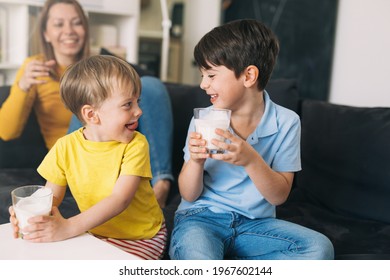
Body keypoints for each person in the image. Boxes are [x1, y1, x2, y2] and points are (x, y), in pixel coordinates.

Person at [169, 19, 334, 260]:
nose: (203, 84)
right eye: (202, 75)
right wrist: (195, 162)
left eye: (211, 75)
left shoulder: (286, 123)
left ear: (248, 76)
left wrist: (250, 159)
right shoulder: (204, 119)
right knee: (198, 255)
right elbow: (188, 194)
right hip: (201, 219)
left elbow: (278, 196)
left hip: (255, 226)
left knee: (319, 248)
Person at [0, 0, 173, 208]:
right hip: (74, 158)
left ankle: (161, 185)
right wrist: (22, 85)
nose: (69, 31)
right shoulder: (35, 68)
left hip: (114, 145)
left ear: (85, 29)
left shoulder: (105, 65)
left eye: (76, 23)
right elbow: (6, 132)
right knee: (85, 102)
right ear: (46, 33)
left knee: (151, 85)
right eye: (58, 24)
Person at [10, 55, 167, 260]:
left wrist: (68, 227)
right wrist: (30, 215)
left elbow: (120, 199)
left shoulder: (135, 144)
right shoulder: (64, 147)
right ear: (92, 115)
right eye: (128, 104)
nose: (139, 111)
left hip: (140, 236)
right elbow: (52, 197)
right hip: (96, 233)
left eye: (138, 101)